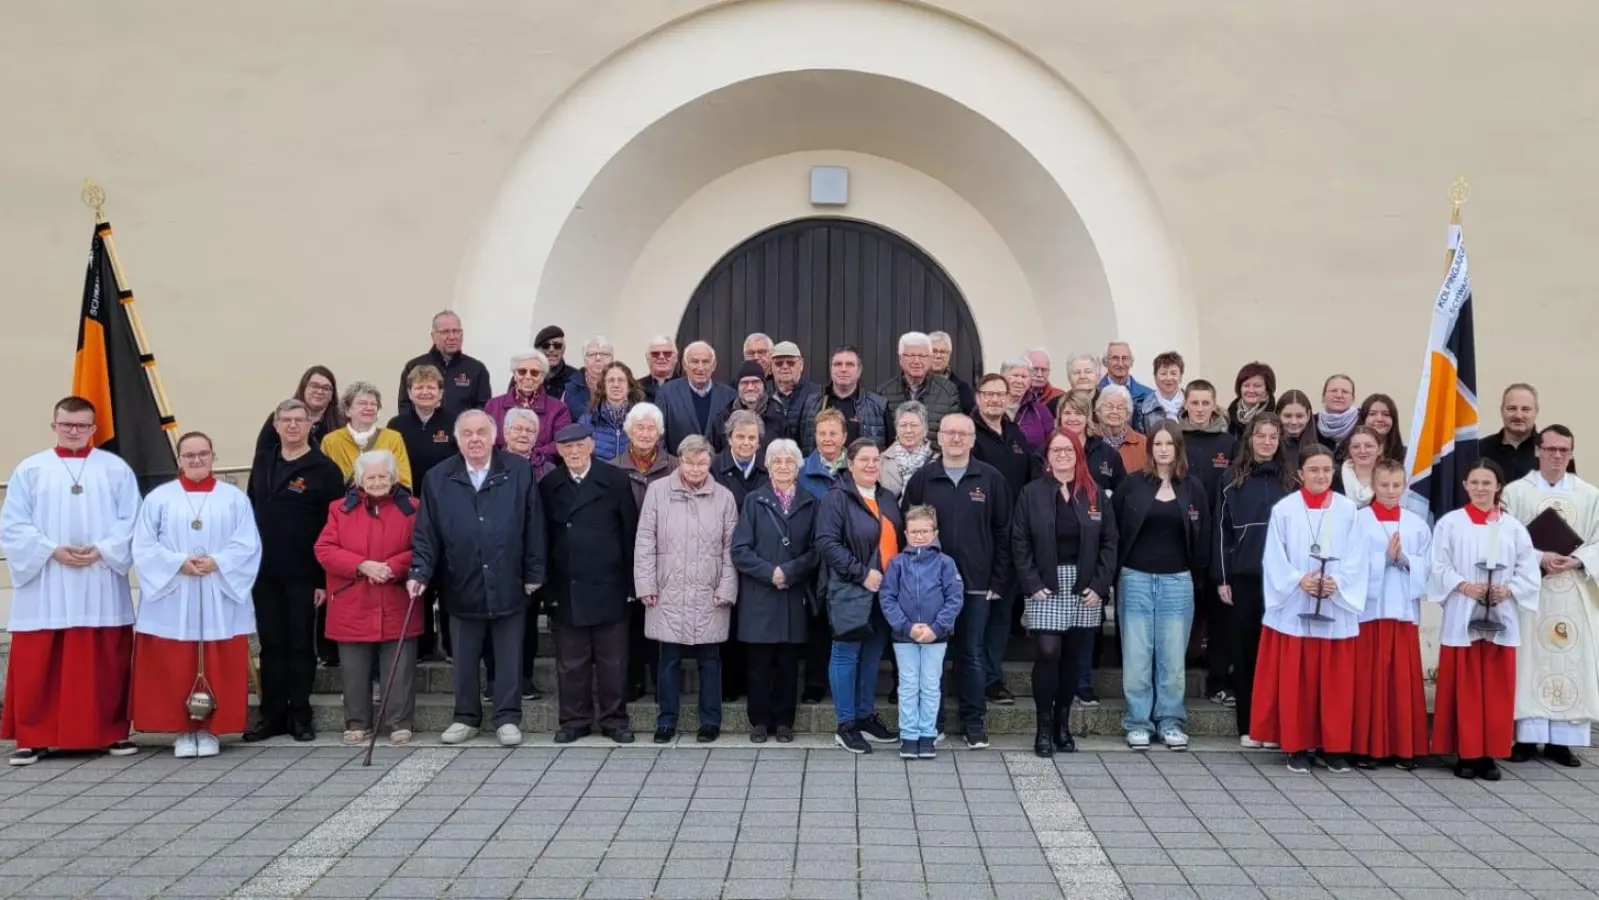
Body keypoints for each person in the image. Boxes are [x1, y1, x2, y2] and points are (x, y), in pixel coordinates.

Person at [1, 397, 140, 766]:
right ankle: (34, 737)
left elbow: (132, 520)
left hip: (99, 578)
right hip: (47, 579)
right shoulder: (31, 470)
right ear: (54, 426)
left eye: (82, 425)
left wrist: (103, 550)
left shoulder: (115, 469)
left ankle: (109, 732)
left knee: (105, 660)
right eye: (67, 425)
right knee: (40, 662)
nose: (74, 431)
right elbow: (13, 524)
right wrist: (50, 550)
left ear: (94, 428)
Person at [407, 410, 546, 748]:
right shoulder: (438, 477)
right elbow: (426, 533)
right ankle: (465, 717)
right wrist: (419, 572)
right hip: (460, 579)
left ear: (493, 435)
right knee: (465, 657)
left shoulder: (517, 470)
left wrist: (534, 572)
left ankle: (507, 717)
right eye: (467, 433)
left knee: (510, 654)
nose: (474, 439)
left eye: (481, 432)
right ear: (457, 439)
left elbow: (534, 525)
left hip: (509, 578)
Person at [131, 432, 262, 759]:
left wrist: (218, 561)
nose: (196, 460)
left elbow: (248, 544)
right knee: (175, 662)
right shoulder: (159, 498)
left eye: (203, 454)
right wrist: (178, 564)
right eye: (189, 455)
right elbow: (144, 545)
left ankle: (212, 729)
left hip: (218, 589)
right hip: (174, 592)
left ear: (213, 457)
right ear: (179, 459)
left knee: (217, 659)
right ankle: (181, 730)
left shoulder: (233, 498)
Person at [1251, 444, 1371, 774]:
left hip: (1334, 607)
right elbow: (1274, 556)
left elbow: (1358, 558)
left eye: (1326, 470)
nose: (1320, 476)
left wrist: (1338, 583)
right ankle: (1298, 745)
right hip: (1296, 605)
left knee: (1335, 684)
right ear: (1300, 474)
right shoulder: (1286, 509)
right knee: (1298, 683)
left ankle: (1333, 747)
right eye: (1314, 470)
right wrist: (1297, 580)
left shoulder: (1349, 510)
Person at [902, 413, 1012, 747]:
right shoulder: (924, 479)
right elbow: (908, 531)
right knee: (933, 655)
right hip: (929, 587)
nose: (956, 439)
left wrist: (998, 579)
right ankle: (932, 722)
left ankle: (973, 721)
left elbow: (1003, 532)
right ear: (939, 438)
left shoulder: (990, 479)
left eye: (963, 434)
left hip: (977, 584)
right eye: (949, 432)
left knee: (971, 654)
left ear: (973, 439)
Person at [1429, 459, 1541, 780]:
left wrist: (1508, 590)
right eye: (1474, 482)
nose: (1480, 488)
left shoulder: (1513, 527)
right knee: (1464, 687)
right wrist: (1464, 586)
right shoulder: (1450, 524)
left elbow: (1527, 570)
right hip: (1463, 612)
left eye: (1487, 483)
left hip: (1500, 614)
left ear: (1498, 486)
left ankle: (1489, 753)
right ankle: (1466, 752)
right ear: (1465, 485)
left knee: (1495, 690)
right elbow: (1438, 565)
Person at [1012, 430, 1118, 757]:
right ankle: (1043, 726)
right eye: (1055, 450)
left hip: (1083, 585)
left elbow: (1109, 542)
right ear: (1047, 457)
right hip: (1045, 584)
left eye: (1067, 449)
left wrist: (1099, 585)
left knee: (1072, 657)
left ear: (1078, 454)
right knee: (1048, 653)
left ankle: (1063, 723)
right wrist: (1031, 583)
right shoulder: (1031, 493)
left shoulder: (1094, 493)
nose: (1062, 455)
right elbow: (1020, 540)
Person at [244, 399, 345, 743]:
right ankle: (271, 715)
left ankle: (300, 715)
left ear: (309, 426)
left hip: (305, 574)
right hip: (264, 572)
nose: (291, 426)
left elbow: (333, 529)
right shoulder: (262, 462)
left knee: (301, 644)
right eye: (285, 420)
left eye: (298, 420)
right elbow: (249, 512)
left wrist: (322, 579)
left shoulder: (325, 470)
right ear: (275, 425)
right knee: (271, 645)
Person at [1502, 425, 1599, 767]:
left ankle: (1563, 742)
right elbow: (1505, 539)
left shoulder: (1590, 495)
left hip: (1573, 591)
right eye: (1551, 449)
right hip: (1533, 592)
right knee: (1531, 660)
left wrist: (1579, 559)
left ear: (1571, 453)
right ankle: (1527, 739)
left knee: (1571, 662)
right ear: (1538, 451)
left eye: (1564, 450)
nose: (1557, 456)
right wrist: (1539, 556)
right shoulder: (1516, 493)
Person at [1112, 421, 1210, 751]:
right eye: (1158, 443)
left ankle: (1170, 721)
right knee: (1138, 655)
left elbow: (1203, 536)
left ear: (1179, 448)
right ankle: (1138, 722)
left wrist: (1199, 579)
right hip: (1136, 578)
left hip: (1178, 582)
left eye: (1170, 443)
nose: (1164, 449)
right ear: (1150, 448)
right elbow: (1114, 531)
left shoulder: (1192, 487)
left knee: (1172, 656)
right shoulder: (1133, 485)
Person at [636, 435, 740, 743]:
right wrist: (645, 584)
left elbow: (731, 549)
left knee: (710, 659)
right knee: (667, 659)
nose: (696, 468)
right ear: (679, 460)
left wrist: (727, 587)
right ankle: (666, 720)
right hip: (668, 590)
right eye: (690, 461)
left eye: (702, 462)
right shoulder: (657, 492)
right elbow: (645, 541)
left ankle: (710, 720)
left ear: (710, 462)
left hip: (709, 591)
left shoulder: (724, 497)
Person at [313, 450, 421, 747]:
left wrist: (393, 568)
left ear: (393, 478)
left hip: (395, 595)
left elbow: (422, 547)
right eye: (370, 477)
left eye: (382, 476)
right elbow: (324, 548)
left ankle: (399, 722)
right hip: (353, 598)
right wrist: (361, 565)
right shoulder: (339, 509)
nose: (376, 482)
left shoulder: (412, 507)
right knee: (354, 669)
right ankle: (357, 722)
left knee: (399, 666)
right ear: (359, 480)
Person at [541, 423, 639, 745]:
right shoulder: (550, 484)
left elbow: (629, 533)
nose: (573, 452)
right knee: (571, 662)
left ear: (591, 446)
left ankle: (614, 720)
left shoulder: (615, 480)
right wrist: (549, 590)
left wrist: (631, 585)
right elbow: (544, 540)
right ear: (558, 450)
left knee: (614, 661)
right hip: (567, 586)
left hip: (610, 585)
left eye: (579, 445)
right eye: (566, 447)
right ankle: (574, 720)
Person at [815, 439, 904, 753]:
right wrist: (861, 573)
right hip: (851, 590)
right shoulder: (837, 498)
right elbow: (827, 543)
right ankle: (847, 724)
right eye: (863, 459)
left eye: (876, 459)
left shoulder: (888, 498)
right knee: (845, 655)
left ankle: (866, 717)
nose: (871, 465)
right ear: (849, 464)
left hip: (885, 593)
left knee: (871, 657)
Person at [1214, 414, 1295, 748]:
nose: (1266, 441)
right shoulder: (1233, 477)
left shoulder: (1292, 479)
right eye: (1260, 435)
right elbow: (1221, 530)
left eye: (1272, 436)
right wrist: (1222, 576)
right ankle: (1248, 726)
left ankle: (1275, 726)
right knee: (1245, 653)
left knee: (1278, 654)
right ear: (1249, 439)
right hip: (1245, 577)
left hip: (1284, 582)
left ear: (1280, 441)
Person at [732, 440, 819, 743]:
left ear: (798, 467)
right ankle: (758, 721)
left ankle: (784, 721)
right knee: (758, 664)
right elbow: (740, 549)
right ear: (767, 466)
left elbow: (816, 550)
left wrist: (790, 572)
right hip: (760, 595)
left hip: (793, 595)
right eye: (777, 461)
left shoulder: (810, 502)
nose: (783, 466)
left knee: (787, 664)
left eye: (789, 461)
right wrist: (770, 573)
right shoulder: (754, 501)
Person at [1349, 458, 1430, 770]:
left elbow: (1428, 565)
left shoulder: (1416, 524)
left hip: (1402, 611)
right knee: (1368, 680)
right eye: (1384, 485)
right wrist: (1383, 560)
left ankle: (1402, 747)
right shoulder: (1358, 521)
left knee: (1401, 681)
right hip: (1369, 611)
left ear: (1405, 485)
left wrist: (1406, 560)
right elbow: (1351, 564)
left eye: (1397, 485)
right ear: (1372, 485)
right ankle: (1365, 746)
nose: (1391, 491)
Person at [879, 505, 965, 760]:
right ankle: (908, 735)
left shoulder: (945, 563)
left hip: (935, 637)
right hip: (904, 637)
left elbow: (954, 598)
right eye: (914, 531)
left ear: (935, 532)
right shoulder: (897, 564)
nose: (919, 536)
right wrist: (906, 626)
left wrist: (936, 627)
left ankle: (927, 734)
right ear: (905, 532)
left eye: (925, 531)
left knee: (929, 685)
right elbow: (888, 598)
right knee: (907, 686)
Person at [386, 364, 458, 661]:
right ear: (410, 392)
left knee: (450, 576)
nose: (425, 391)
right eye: (419, 387)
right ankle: (424, 644)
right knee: (419, 574)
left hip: (450, 508)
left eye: (432, 387)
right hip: (411, 510)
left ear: (441, 393)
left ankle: (453, 645)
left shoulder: (454, 422)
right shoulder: (396, 426)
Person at [611, 402, 678, 699]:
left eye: (651, 427)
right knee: (631, 623)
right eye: (639, 427)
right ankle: (633, 682)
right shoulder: (612, 469)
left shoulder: (675, 467)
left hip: (666, 556)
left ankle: (662, 684)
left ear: (660, 433)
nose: (645, 433)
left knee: (660, 621)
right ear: (628, 431)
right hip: (625, 557)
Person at [710, 409, 771, 702]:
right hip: (722, 556)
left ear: (760, 442)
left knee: (754, 622)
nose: (746, 443)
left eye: (752, 438)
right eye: (740, 437)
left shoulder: (768, 469)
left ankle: (752, 683)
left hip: (759, 558)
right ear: (729, 438)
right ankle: (728, 686)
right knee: (728, 620)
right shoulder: (714, 469)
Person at [483, 350, 570, 468]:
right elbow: (485, 440)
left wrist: (532, 454)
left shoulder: (559, 409)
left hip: (541, 470)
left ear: (542, 377)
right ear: (514, 375)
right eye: (522, 371)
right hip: (501, 469)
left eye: (534, 373)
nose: (528, 377)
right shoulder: (493, 405)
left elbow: (563, 442)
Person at [320, 381, 413, 490]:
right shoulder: (331, 441)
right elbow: (323, 481)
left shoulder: (393, 438)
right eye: (362, 403)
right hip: (345, 505)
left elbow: (404, 481)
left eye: (373, 404)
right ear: (347, 411)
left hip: (384, 503)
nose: (369, 408)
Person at [397, 310, 492, 414]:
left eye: (456, 331)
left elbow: (484, 408)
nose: (452, 337)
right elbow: (405, 405)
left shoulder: (477, 369)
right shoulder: (414, 366)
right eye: (445, 332)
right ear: (433, 336)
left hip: (460, 429)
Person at [878, 332, 962, 446]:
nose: (917, 361)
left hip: (934, 461)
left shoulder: (948, 392)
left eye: (922, 356)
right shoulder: (883, 392)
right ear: (901, 359)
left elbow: (954, 434)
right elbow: (879, 438)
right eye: (911, 356)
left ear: (930, 359)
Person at [799, 346, 888, 453]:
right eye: (838, 364)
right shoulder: (811, 403)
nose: (843, 369)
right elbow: (801, 445)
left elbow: (890, 449)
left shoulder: (878, 405)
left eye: (850, 364)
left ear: (859, 370)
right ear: (831, 369)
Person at [654, 341, 737, 452]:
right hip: (679, 466)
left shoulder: (729, 395)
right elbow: (658, 435)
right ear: (684, 365)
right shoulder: (666, 394)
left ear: (714, 366)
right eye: (695, 361)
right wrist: (670, 465)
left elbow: (735, 436)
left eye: (705, 362)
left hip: (718, 468)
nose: (700, 367)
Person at [1480, 383, 1573, 482]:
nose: (1518, 415)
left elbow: (1569, 493)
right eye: (1512, 408)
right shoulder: (1479, 450)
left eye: (1525, 409)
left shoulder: (1556, 452)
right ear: (1502, 410)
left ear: (1536, 412)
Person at [972, 372, 1041, 502]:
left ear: (1008, 399)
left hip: (1016, 512)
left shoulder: (1016, 433)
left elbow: (1029, 473)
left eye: (1000, 394)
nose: (995, 400)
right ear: (978, 398)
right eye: (989, 394)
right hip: (983, 512)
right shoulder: (968, 433)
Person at [255, 366, 345, 459]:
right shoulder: (280, 418)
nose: (319, 391)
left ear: (332, 395)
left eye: (326, 388)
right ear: (303, 388)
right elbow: (262, 457)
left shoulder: (341, 424)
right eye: (314, 386)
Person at [1054, 391, 1125, 497]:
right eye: (1067, 413)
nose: (1073, 419)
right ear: (1060, 417)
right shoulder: (1046, 453)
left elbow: (1123, 494)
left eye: (1079, 413)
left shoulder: (1108, 454)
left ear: (1087, 417)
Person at [710, 361, 786, 454]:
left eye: (755, 382)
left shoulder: (778, 420)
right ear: (737, 387)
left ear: (764, 386)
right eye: (745, 383)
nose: (750, 387)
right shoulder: (722, 421)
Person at [582, 361, 645, 463]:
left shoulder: (643, 418)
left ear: (629, 387)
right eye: (611, 380)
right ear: (604, 387)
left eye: (621, 380)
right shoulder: (588, 419)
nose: (616, 385)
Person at [767, 342, 821, 444]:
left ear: (801, 364)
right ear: (771, 367)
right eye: (779, 363)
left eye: (790, 362)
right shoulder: (763, 398)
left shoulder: (817, 395)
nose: (785, 367)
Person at [879, 402, 935, 496]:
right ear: (896, 429)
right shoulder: (881, 460)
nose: (908, 430)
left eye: (914, 425)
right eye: (903, 425)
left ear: (925, 429)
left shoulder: (938, 461)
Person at [561, 335, 616, 422]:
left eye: (604, 354)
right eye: (592, 354)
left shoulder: (624, 387)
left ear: (612, 359)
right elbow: (564, 425)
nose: (598, 358)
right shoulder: (570, 390)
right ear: (585, 360)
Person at [1100, 341, 1153, 430]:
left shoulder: (1148, 395)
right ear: (1105, 362)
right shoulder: (1096, 394)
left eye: (1125, 358)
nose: (1120, 364)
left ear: (1131, 362)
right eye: (1115, 358)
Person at [799, 408, 850, 500]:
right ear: (815, 437)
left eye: (833, 434)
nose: (827, 439)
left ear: (844, 437)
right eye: (822, 434)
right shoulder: (800, 470)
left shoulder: (857, 469)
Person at [1014, 356, 1061, 455]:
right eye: (1035, 369)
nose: (1039, 374)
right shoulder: (997, 404)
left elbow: (1051, 440)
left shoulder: (1058, 398)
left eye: (1044, 370)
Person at [1095, 385, 1147, 474]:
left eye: (1120, 408)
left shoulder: (1142, 443)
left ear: (1127, 414)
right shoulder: (1089, 438)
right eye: (1109, 406)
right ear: (1099, 411)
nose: (1114, 411)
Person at [1344, 393, 1406, 465]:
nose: (1379, 419)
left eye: (1386, 414)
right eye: (1372, 414)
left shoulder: (1407, 456)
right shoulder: (1343, 453)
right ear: (1363, 419)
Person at [1332, 426, 1382, 508]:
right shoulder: (1335, 477)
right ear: (1350, 450)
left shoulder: (1390, 476)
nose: (1362, 451)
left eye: (1369, 446)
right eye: (1356, 447)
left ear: (1379, 449)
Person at [928, 331, 976, 414]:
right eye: (934, 351)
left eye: (943, 352)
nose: (938, 356)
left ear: (949, 356)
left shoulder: (962, 389)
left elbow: (970, 419)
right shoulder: (914, 384)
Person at [1138, 351, 1188, 431]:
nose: (1168, 378)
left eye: (1173, 373)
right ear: (1155, 377)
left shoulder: (1192, 404)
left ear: (1181, 377)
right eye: (1163, 374)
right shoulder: (1143, 408)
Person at [1227, 362, 1277, 439]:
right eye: (1246, 385)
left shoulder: (1276, 416)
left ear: (1267, 389)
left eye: (1257, 386)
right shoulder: (1228, 418)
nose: (1251, 390)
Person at [1310, 374, 1359, 448]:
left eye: (1345, 392)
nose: (1339, 395)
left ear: (1353, 399)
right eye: (1333, 391)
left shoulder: (1362, 421)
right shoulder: (1311, 423)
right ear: (1323, 397)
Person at [1274, 389, 1315, 472]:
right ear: (1278, 415)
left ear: (1308, 415)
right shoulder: (1268, 447)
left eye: (1299, 416)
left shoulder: (1319, 450)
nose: (1294, 422)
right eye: (1287, 416)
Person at [536, 325, 579, 401]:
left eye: (557, 345)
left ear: (563, 349)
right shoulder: (524, 374)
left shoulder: (576, 378)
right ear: (537, 350)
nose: (551, 349)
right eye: (546, 345)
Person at [639, 334, 678, 404]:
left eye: (667, 353)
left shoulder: (686, 387)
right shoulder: (636, 387)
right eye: (655, 354)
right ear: (647, 358)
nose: (661, 357)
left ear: (675, 358)